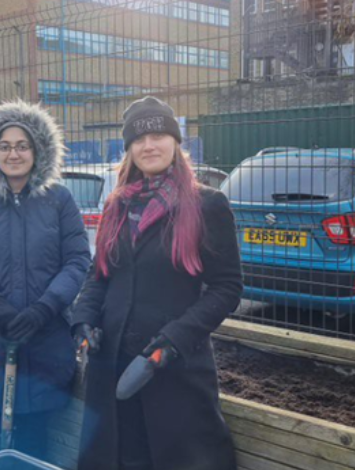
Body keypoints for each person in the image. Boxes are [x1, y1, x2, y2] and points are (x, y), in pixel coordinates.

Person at [70, 96, 243, 470]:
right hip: (112, 363)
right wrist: (83, 318)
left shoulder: (207, 205)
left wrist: (175, 339)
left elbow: (227, 287)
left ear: (176, 142)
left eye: (159, 135)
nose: (149, 145)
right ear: (129, 148)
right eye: (138, 139)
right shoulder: (117, 205)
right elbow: (100, 273)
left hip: (172, 367)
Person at [0, 101, 91, 461]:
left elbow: (77, 261)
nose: (14, 154)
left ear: (38, 150)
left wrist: (45, 308)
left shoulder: (59, 200)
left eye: (22, 145)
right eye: (5, 146)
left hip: (45, 335)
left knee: (35, 429)